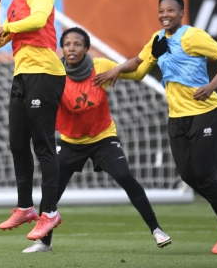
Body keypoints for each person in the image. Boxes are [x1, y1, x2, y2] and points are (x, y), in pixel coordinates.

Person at [94, 0, 217, 255]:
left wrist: (211, 86)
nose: (165, 15)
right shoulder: (158, 39)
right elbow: (140, 67)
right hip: (177, 117)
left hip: (205, 112)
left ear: (181, 13)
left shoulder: (192, 36)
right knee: (188, 176)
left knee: (205, 175)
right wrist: (116, 70)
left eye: (171, 11)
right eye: (161, 11)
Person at [23, 27, 172, 253]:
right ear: (61, 48)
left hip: (103, 138)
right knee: (51, 189)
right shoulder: (54, 74)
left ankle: (157, 230)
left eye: (77, 44)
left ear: (86, 48)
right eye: (67, 44)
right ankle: (45, 242)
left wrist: (152, 56)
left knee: (125, 176)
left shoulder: (100, 67)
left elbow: (137, 73)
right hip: (70, 141)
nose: (72, 48)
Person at [0, 0, 66, 242]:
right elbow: (0, 40)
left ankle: (50, 212)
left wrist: (9, 27)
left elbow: (36, 21)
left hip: (45, 73)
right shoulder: (15, 3)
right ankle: (25, 207)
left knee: (43, 144)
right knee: (17, 143)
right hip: (22, 75)